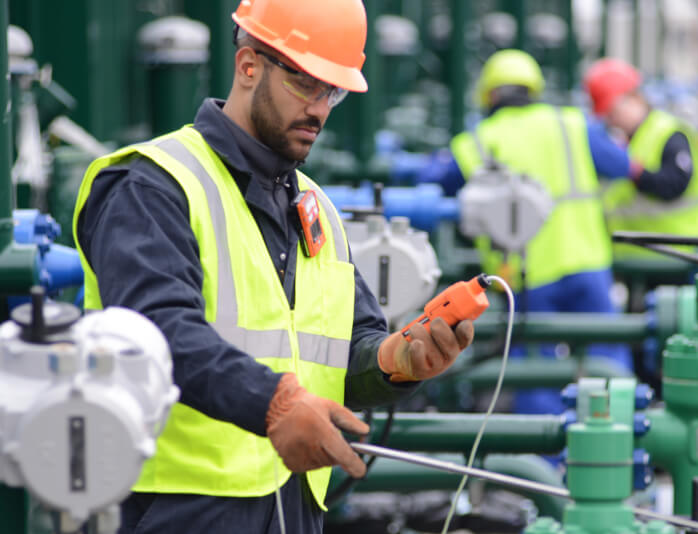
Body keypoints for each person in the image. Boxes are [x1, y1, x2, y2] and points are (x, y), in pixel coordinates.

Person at [71, 1, 476, 532]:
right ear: (248, 66)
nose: (320, 109)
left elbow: (338, 355)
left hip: (291, 507)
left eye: (332, 91)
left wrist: (397, 359)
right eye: (305, 83)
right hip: (173, 507)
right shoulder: (154, 186)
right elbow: (157, 332)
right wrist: (276, 403)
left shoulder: (316, 208)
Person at [420, 49, 634, 417]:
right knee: (609, 360)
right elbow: (623, 166)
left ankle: (542, 465)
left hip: (527, 276)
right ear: (535, 88)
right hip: (587, 263)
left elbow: (430, 183)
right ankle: (621, 446)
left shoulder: (478, 140)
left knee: (536, 373)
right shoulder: (572, 124)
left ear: (489, 96)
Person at [584, 58, 698, 258]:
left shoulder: (670, 133)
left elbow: (675, 183)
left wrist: (635, 172)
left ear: (635, 98)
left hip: (679, 251)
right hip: (635, 253)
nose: (612, 121)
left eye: (614, 112)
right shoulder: (624, 140)